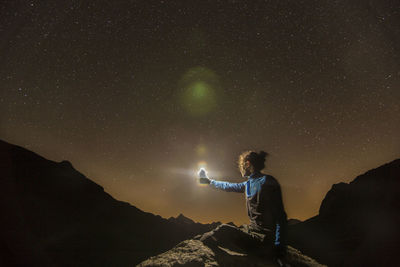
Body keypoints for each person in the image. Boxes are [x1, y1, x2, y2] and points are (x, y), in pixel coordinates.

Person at [199, 150, 288, 260]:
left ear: (247, 164)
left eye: (241, 165)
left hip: (263, 240)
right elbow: (228, 186)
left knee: (223, 230)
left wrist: (279, 247)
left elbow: (281, 216)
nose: (240, 169)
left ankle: (200, 244)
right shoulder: (248, 184)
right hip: (253, 232)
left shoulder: (267, 182)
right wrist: (209, 182)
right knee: (232, 230)